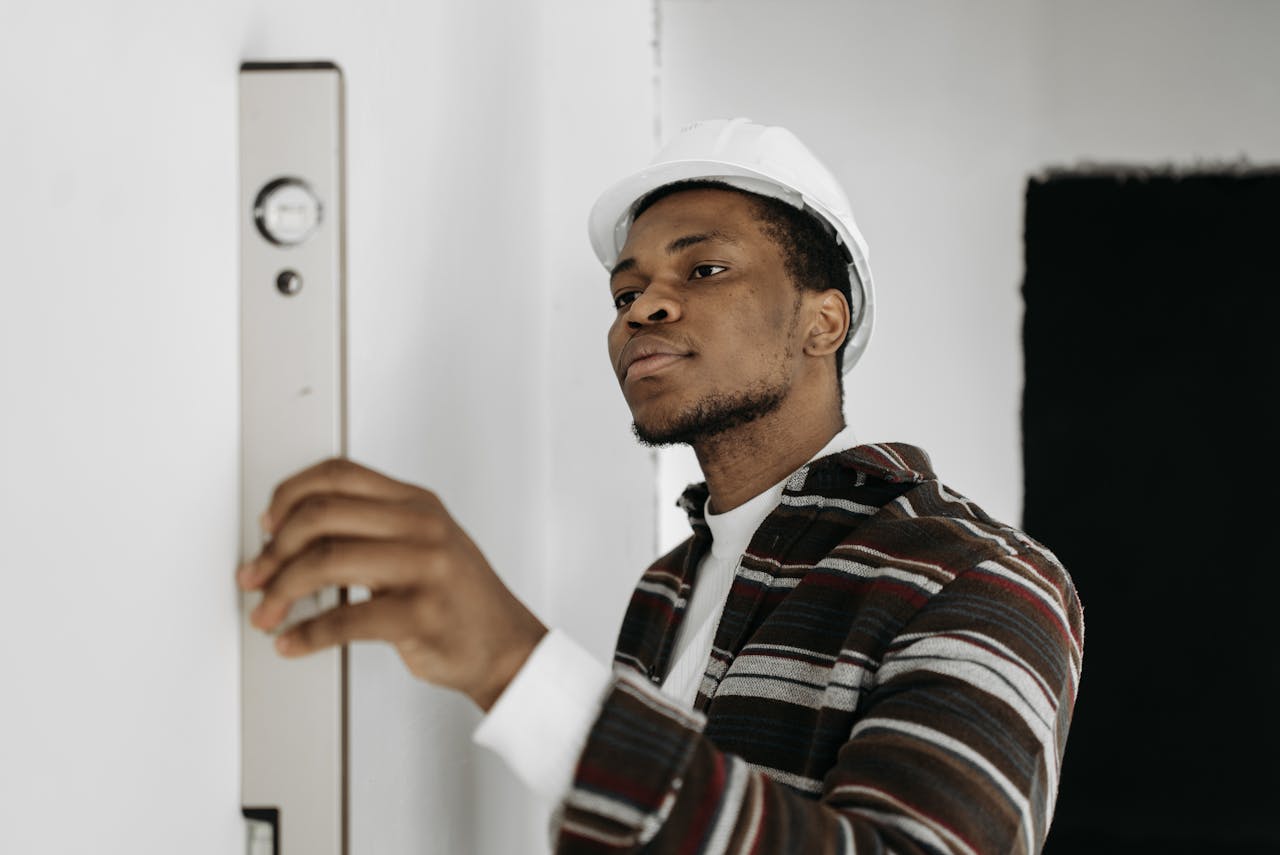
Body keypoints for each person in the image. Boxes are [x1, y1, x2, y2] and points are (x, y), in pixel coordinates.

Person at [237, 118, 1083, 854]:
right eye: (626, 289)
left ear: (823, 321)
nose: (643, 308)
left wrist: (518, 669)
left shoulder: (983, 578)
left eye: (704, 270)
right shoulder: (666, 588)